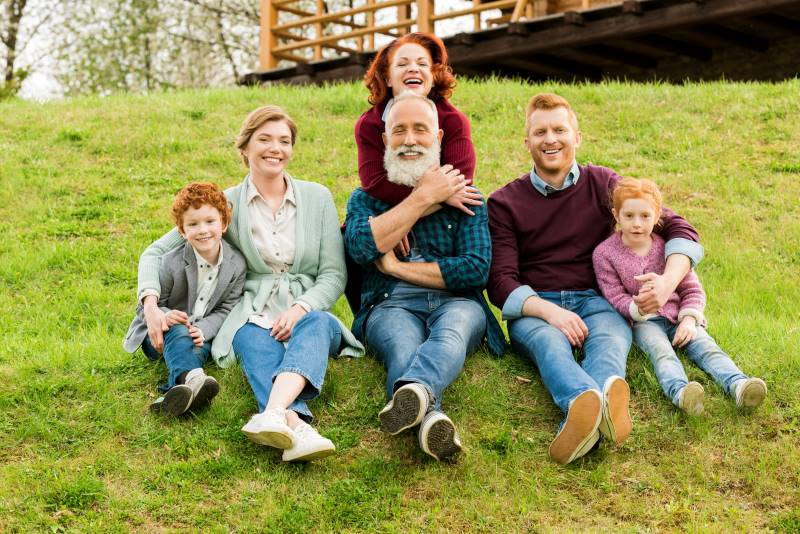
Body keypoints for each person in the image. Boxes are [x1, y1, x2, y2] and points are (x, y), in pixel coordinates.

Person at [136, 105, 363, 462]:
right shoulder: (224, 204)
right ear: (245, 147)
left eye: (284, 141)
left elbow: (333, 275)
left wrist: (301, 307)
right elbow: (154, 251)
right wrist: (150, 306)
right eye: (265, 139)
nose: (276, 148)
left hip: (309, 308)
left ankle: (271, 414)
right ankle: (298, 426)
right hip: (252, 311)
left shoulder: (317, 197)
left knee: (316, 324)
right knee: (251, 340)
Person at [487, 93, 704, 465]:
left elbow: (677, 225)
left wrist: (668, 282)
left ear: (577, 137)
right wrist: (549, 313)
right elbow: (500, 279)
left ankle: (604, 393)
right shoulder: (505, 202)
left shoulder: (604, 184)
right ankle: (581, 401)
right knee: (550, 348)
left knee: (612, 339)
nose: (550, 139)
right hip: (537, 306)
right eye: (540, 132)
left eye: (559, 129)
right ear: (527, 143)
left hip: (595, 298)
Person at [345, 92, 504, 461]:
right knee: (402, 346)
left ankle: (417, 394)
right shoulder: (365, 199)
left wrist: (397, 268)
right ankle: (431, 418)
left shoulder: (468, 197)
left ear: (438, 137)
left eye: (420, 129)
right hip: (390, 304)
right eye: (399, 130)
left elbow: (475, 270)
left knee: (452, 331)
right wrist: (420, 199)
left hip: (458, 304)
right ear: (385, 139)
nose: (410, 139)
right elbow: (359, 247)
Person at [593, 177, 767, 415]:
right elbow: (614, 295)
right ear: (616, 215)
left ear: (657, 216)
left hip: (678, 315)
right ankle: (680, 392)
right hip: (644, 322)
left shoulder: (668, 248)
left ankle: (739, 385)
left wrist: (689, 319)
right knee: (660, 352)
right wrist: (638, 309)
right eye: (629, 216)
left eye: (645, 216)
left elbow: (692, 288)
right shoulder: (604, 254)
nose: (637, 224)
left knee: (706, 346)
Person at [124, 182, 246, 416]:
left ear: (224, 223)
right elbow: (146, 308)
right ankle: (196, 379)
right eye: (193, 224)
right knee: (179, 331)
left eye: (210, 222)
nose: (203, 230)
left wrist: (204, 330)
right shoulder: (171, 262)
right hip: (160, 335)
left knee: (193, 348)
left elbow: (227, 308)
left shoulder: (236, 265)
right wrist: (166, 316)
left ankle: (178, 390)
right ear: (181, 231)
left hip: (200, 336)